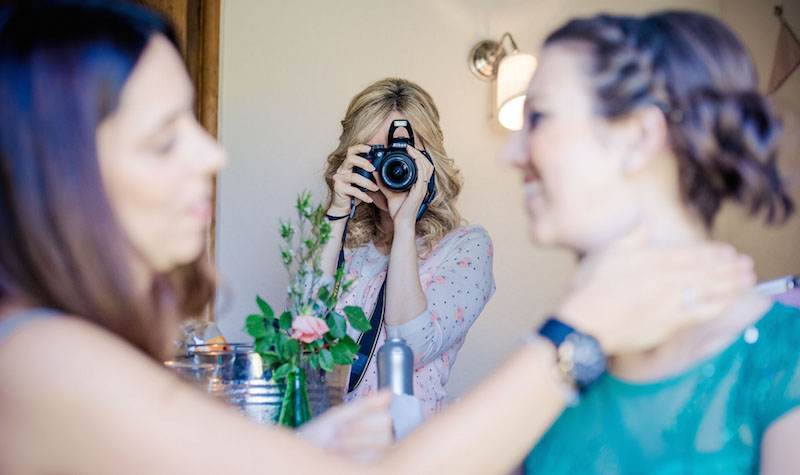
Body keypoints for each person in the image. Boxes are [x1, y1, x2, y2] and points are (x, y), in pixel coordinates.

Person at [0, 2, 757, 474]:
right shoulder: (41, 360)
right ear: (60, 169)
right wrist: (578, 335)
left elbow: (413, 339)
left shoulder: (465, 247)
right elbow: (310, 325)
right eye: (167, 137)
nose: (215, 154)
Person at [498, 11, 800, 473]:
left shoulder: (781, 361)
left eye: (538, 116)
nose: (509, 154)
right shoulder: (550, 366)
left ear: (639, 136)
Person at [319, 78, 495, 415]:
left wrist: (404, 225)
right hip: (325, 440)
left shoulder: (466, 247)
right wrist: (337, 213)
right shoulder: (345, 243)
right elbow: (299, 339)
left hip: (406, 448)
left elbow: (409, 347)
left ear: (429, 161)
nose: (391, 169)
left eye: (402, 155)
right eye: (378, 155)